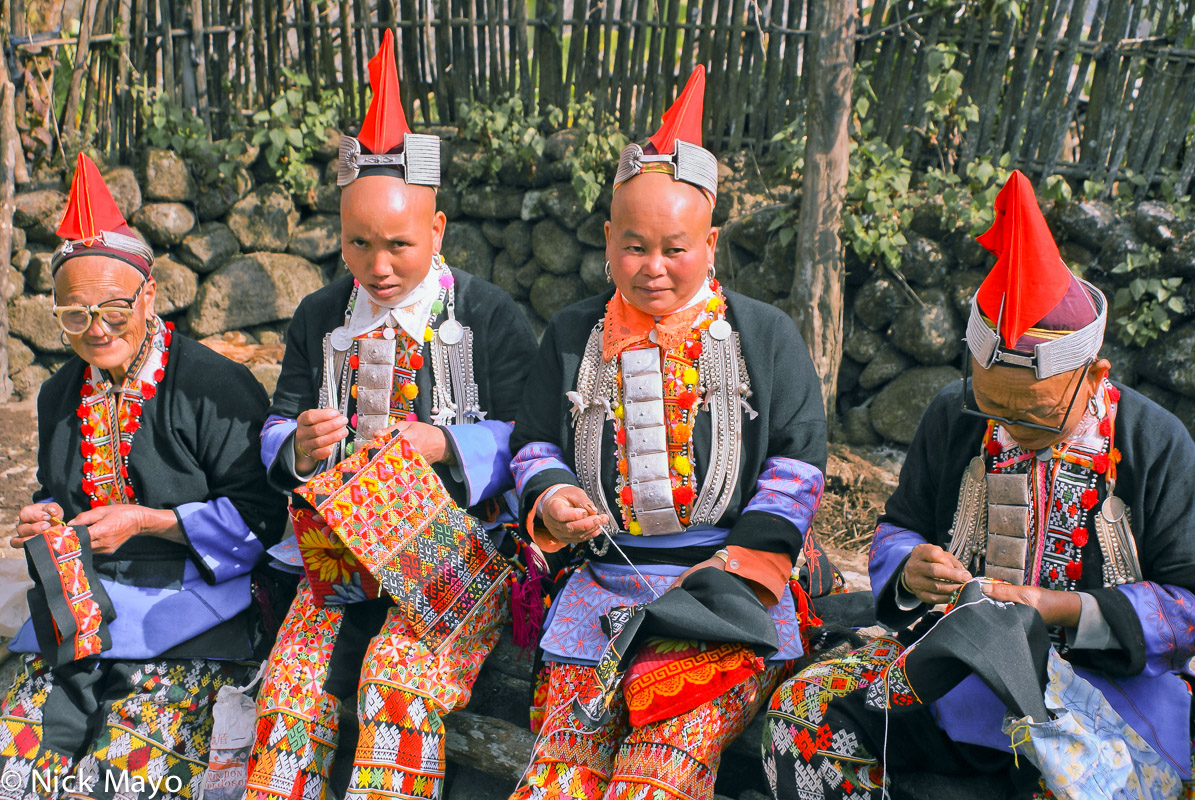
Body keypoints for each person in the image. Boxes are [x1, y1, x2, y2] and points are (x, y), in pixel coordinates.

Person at [762, 170, 1195, 799]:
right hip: (955, 670)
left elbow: (1188, 602)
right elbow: (899, 525)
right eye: (994, 409)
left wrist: (1060, 609)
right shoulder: (951, 413)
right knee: (803, 711)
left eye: (1036, 415)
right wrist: (910, 568)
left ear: (1095, 375)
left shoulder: (1155, 443)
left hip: (1103, 689)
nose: (1012, 431)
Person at [507, 66, 828, 800]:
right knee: (557, 775)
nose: (652, 270)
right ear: (606, 238)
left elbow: (795, 464)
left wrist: (738, 569)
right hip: (603, 593)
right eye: (633, 247)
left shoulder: (765, 337)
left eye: (674, 249)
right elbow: (535, 444)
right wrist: (553, 495)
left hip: (725, 598)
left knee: (658, 773)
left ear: (710, 242)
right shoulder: (570, 334)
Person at [243, 30, 538, 800]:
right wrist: (300, 447)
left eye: (399, 245)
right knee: (292, 683)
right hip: (338, 558)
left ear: (437, 231)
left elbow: (532, 436)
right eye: (357, 243)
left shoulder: (489, 316)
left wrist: (447, 441)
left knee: (396, 681)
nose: (377, 266)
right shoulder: (318, 316)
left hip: (453, 556)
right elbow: (277, 422)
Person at [0, 153, 287, 799]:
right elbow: (61, 489)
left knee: (129, 779)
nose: (96, 330)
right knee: (20, 767)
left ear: (149, 295)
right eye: (74, 315)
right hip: (86, 607)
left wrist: (151, 521)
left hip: (195, 610)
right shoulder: (55, 396)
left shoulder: (215, 386)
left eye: (113, 309)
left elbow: (268, 516)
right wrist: (47, 514)